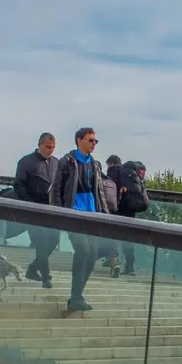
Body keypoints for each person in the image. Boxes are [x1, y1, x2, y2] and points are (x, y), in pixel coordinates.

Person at [51, 128, 106, 314]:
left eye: (95, 141)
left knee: (92, 255)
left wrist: (105, 214)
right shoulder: (67, 161)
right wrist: (59, 213)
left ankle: (77, 296)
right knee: (83, 250)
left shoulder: (96, 164)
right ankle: (75, 296)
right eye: (90, 140)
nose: (94, 144)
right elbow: (56, 188)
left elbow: (99, 192)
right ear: (79, 140)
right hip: (74, 213)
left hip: (92, 215)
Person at [14, 134, 61, 288]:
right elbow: (18, 185)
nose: (50, 150)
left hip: (51, 210)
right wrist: (29, 204)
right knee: (40, 241)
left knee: (54, 240)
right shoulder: (26, 162)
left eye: (53, 147)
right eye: (48, 147)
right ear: (40, 144)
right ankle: (46, 276)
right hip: (32, 210)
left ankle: (33, 269)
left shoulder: (56, 163)